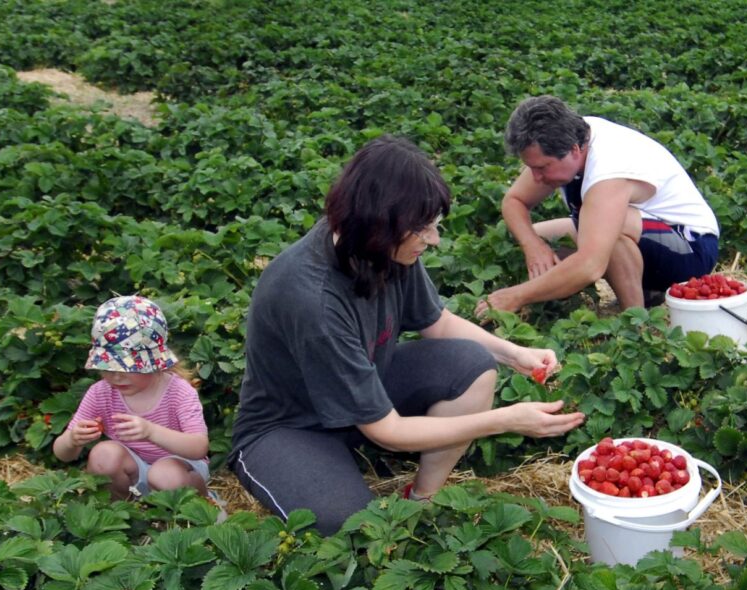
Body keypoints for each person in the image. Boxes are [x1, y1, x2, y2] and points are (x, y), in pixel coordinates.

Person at [228, 134, 584, 536]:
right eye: (423, 229)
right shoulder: (313, 299)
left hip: (365, 388)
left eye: (434, 225)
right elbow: (389, 432)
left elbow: (438, 324)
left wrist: (514, 353)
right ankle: (311, 469)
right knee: (352, 527)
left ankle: (422, 500)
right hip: (290, 426)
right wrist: (503, 420)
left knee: (471, 365)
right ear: (381, 221)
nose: (432, 239)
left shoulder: (382, 245)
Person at [482, 95, 719, 313]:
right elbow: (514, 200)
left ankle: (635, 320)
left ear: (574, 150)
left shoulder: (608, 171)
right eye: (531, 167)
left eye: (542, 167)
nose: (534, 177)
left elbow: (590, 265)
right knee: (535, 236)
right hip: (646, 230)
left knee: (608, 231)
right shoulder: (570, 135)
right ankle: (554, 305)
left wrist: (517, 296)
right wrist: (532, 246)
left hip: (691, 249)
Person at [53, 295, 212, 501]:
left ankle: (199, 506)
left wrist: (151, 431)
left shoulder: (179, 392)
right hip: (134, 469)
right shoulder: (101, 393)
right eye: (108, 368)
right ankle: (123, 511)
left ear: (155, 363)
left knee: (164, 474)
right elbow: (63, 454)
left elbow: (198, 448)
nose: (116, 376)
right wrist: (72, 440)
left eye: (128, 368)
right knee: (103, 455)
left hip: (181, 468)